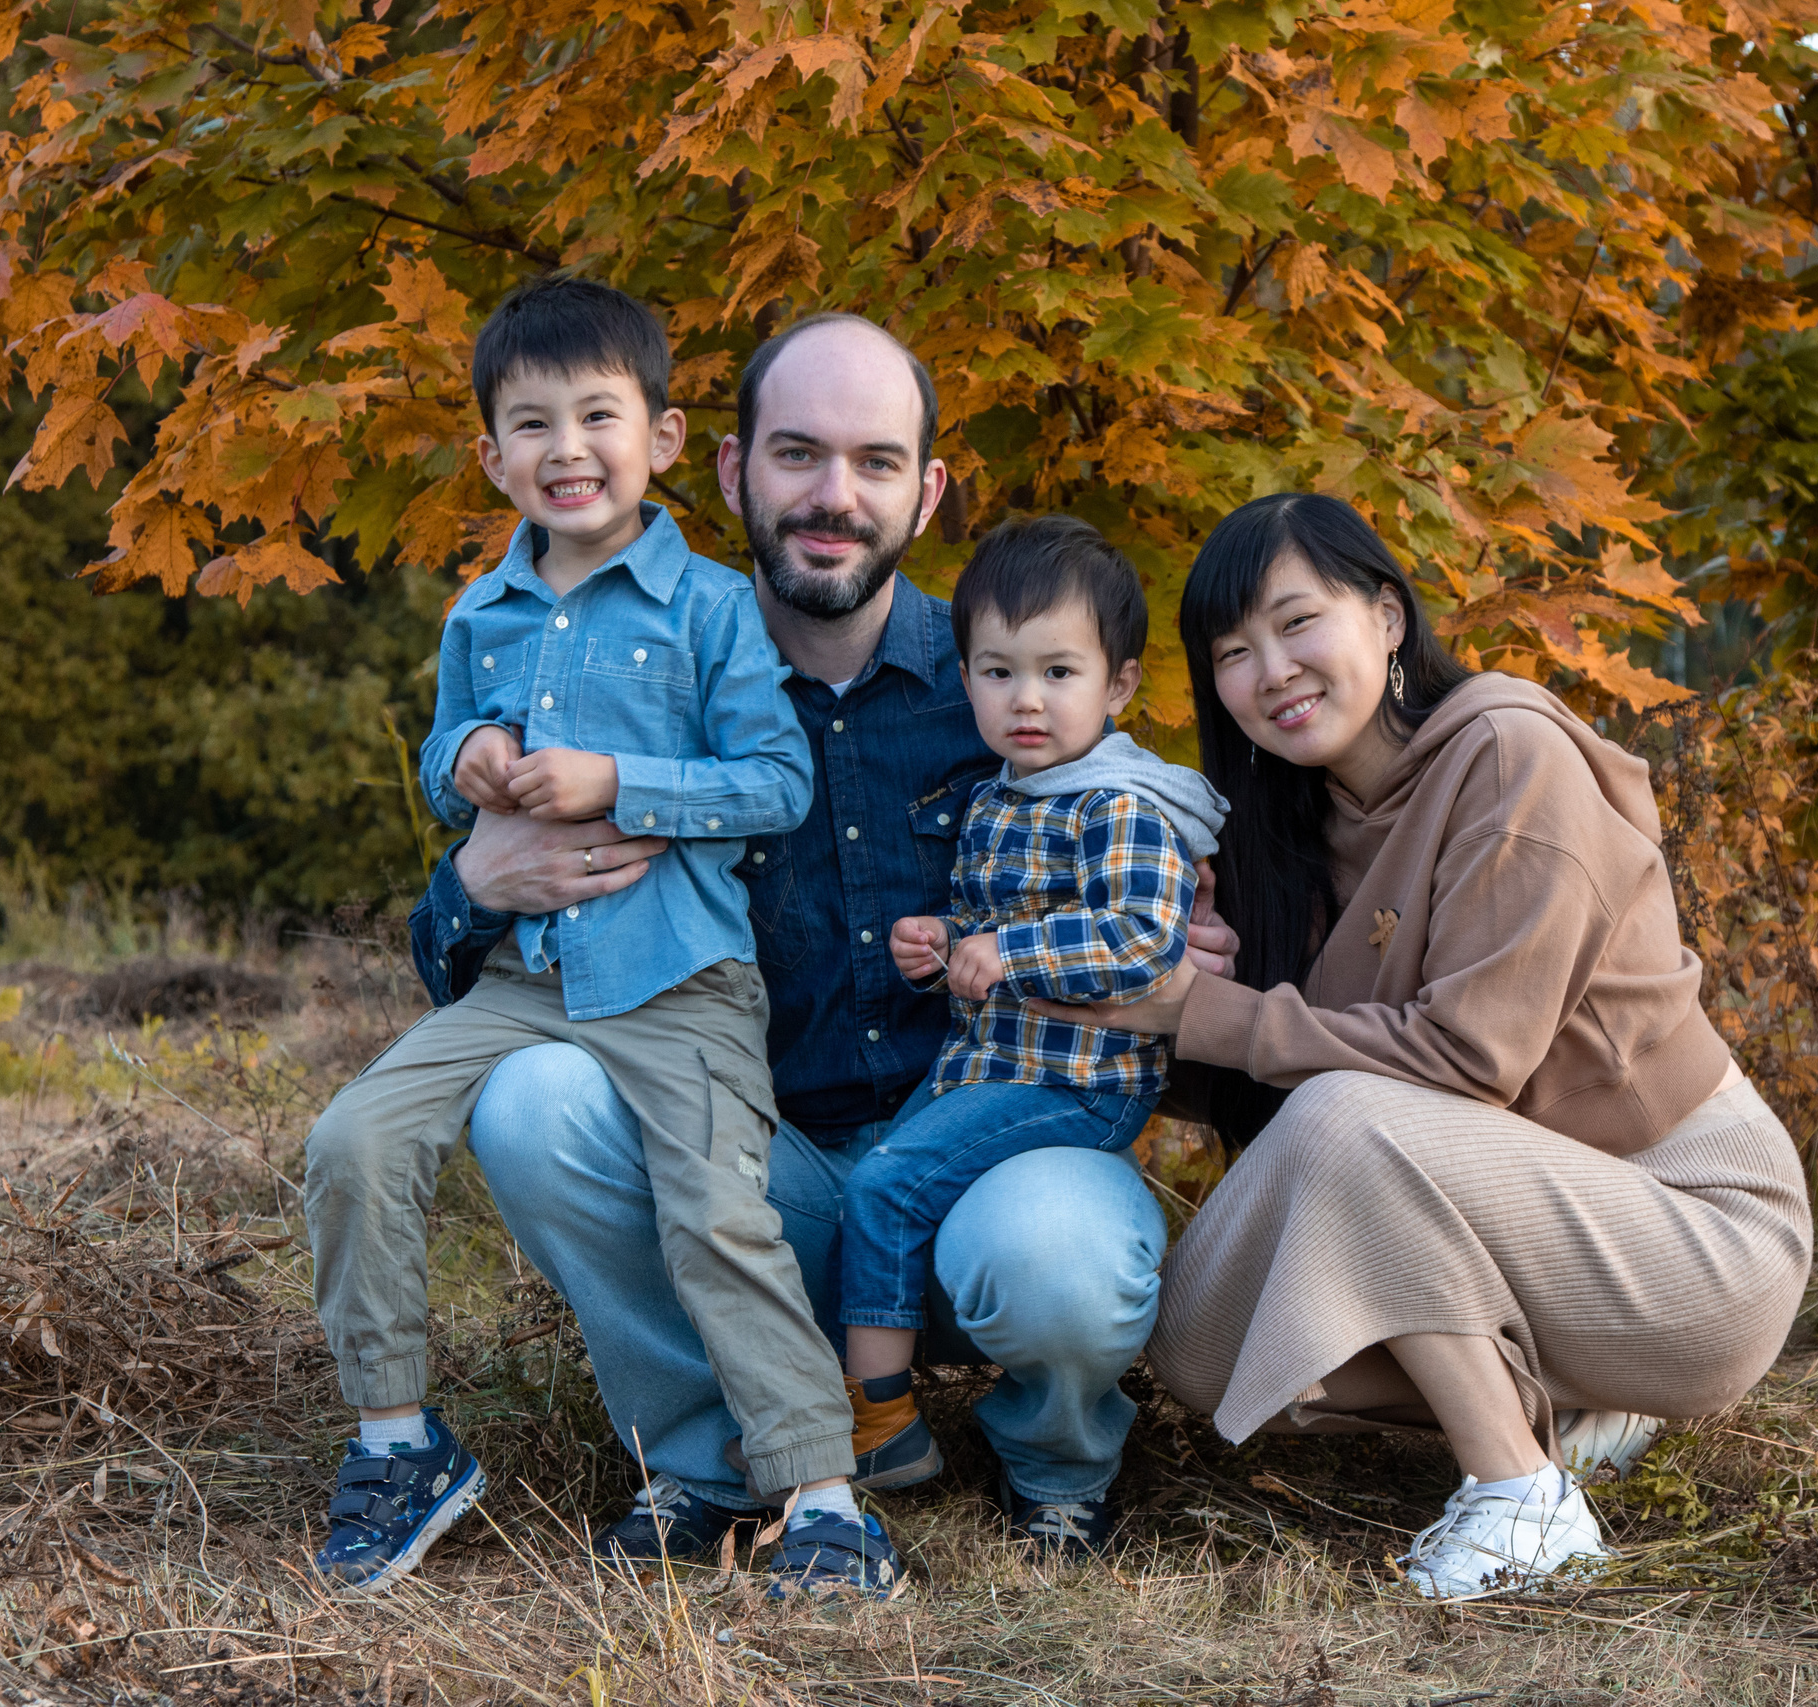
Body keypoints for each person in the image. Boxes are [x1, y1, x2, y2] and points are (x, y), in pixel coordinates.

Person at [411, 314, 1237, 1565]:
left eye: (875, 461)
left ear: (928, 489)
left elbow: (1151, 840)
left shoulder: (1011, 684)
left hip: (982, 1169)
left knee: (1061, 1248)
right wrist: (475, 879)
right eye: (797, 455)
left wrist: (1196, 936)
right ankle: (712, 1456)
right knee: (534, 1100)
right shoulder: (644, 677)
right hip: (752, 1186)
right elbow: (461, 970)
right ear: (734, 469)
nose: (833, 496)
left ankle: (1051, 1465)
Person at [1032, 493, 1813, 1601]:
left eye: (1299, 623)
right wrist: (1159, 969)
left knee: (1345, 1117)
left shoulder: (1506, 749)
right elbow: (1252, 1080)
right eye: (1235, 653)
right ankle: (1581, 1393)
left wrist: (1204, 1013)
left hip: (1691, 1227)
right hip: (1507, 1213)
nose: (1273, 670)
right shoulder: (1288, 828)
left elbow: (1465, 1062)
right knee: (1202, 1342)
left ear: (1388, 618)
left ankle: (1521, 1497)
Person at [299, 276, 889, 1599]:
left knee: (714, 1214)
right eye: (533, 424)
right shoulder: (480, 612)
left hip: (679, 978)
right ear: (492, 455)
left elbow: (774, 781)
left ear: (665, 440)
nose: (568, 449)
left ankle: (821, 1495)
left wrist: (618, 781)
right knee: (354, 1138)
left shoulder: (713, 609)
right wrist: (478, 756)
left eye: (598, 416)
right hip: (524, 981)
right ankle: (400, 1440)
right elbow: (444, 755)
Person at [848, 517, 1228, 1489]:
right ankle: (868, 1390)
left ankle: (878, 1424)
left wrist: (1004, 952)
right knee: (878, 1179)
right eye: (997, 671)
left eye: (1059, 673)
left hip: (1077, 1083)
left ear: (1119, 685)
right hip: (990, 1067)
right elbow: (991, 932)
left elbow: (1140, 941)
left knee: (886, 1183)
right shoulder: (1001, 795)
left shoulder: (1119, 805)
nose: (1026, 699)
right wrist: (938, 947)